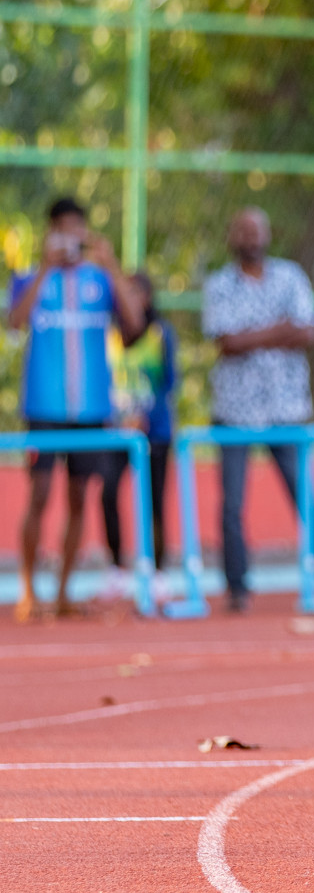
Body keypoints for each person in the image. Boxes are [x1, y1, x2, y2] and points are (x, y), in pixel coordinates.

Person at [201, 207, 314, 615]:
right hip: (234, 411)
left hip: (285, 408)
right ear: (232, 237)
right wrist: (279, 330)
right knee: (231, 506)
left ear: (267, 235)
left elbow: (307, 332)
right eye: (241, 230)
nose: (249, 237)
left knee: (306, 499)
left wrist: (254, 335)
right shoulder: (219, 285)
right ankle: (237, 589)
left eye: (255, 230)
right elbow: (226, 342)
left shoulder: (290, 277)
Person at [6, 197, 144, 622]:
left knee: (80, 498)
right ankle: (29, 591)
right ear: (50, 232)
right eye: (62, 228)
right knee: (40, 493)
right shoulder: (30, 278)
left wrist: (113, 267)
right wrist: (45, 267)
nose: (71, 237)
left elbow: (135, 325)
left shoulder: (100, 281)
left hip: (91, 408)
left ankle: (64, 592)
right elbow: (14, 323)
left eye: (77, 228)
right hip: (44, 406)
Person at [99, 273, 177, 604]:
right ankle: (117, 568)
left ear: (146, 297)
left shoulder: (160, 334)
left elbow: (170, 384)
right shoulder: (108, 334)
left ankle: (157, 571)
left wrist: (144, 417)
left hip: (153, 432)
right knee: (107, 495)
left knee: (155, 500)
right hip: (116, 433)